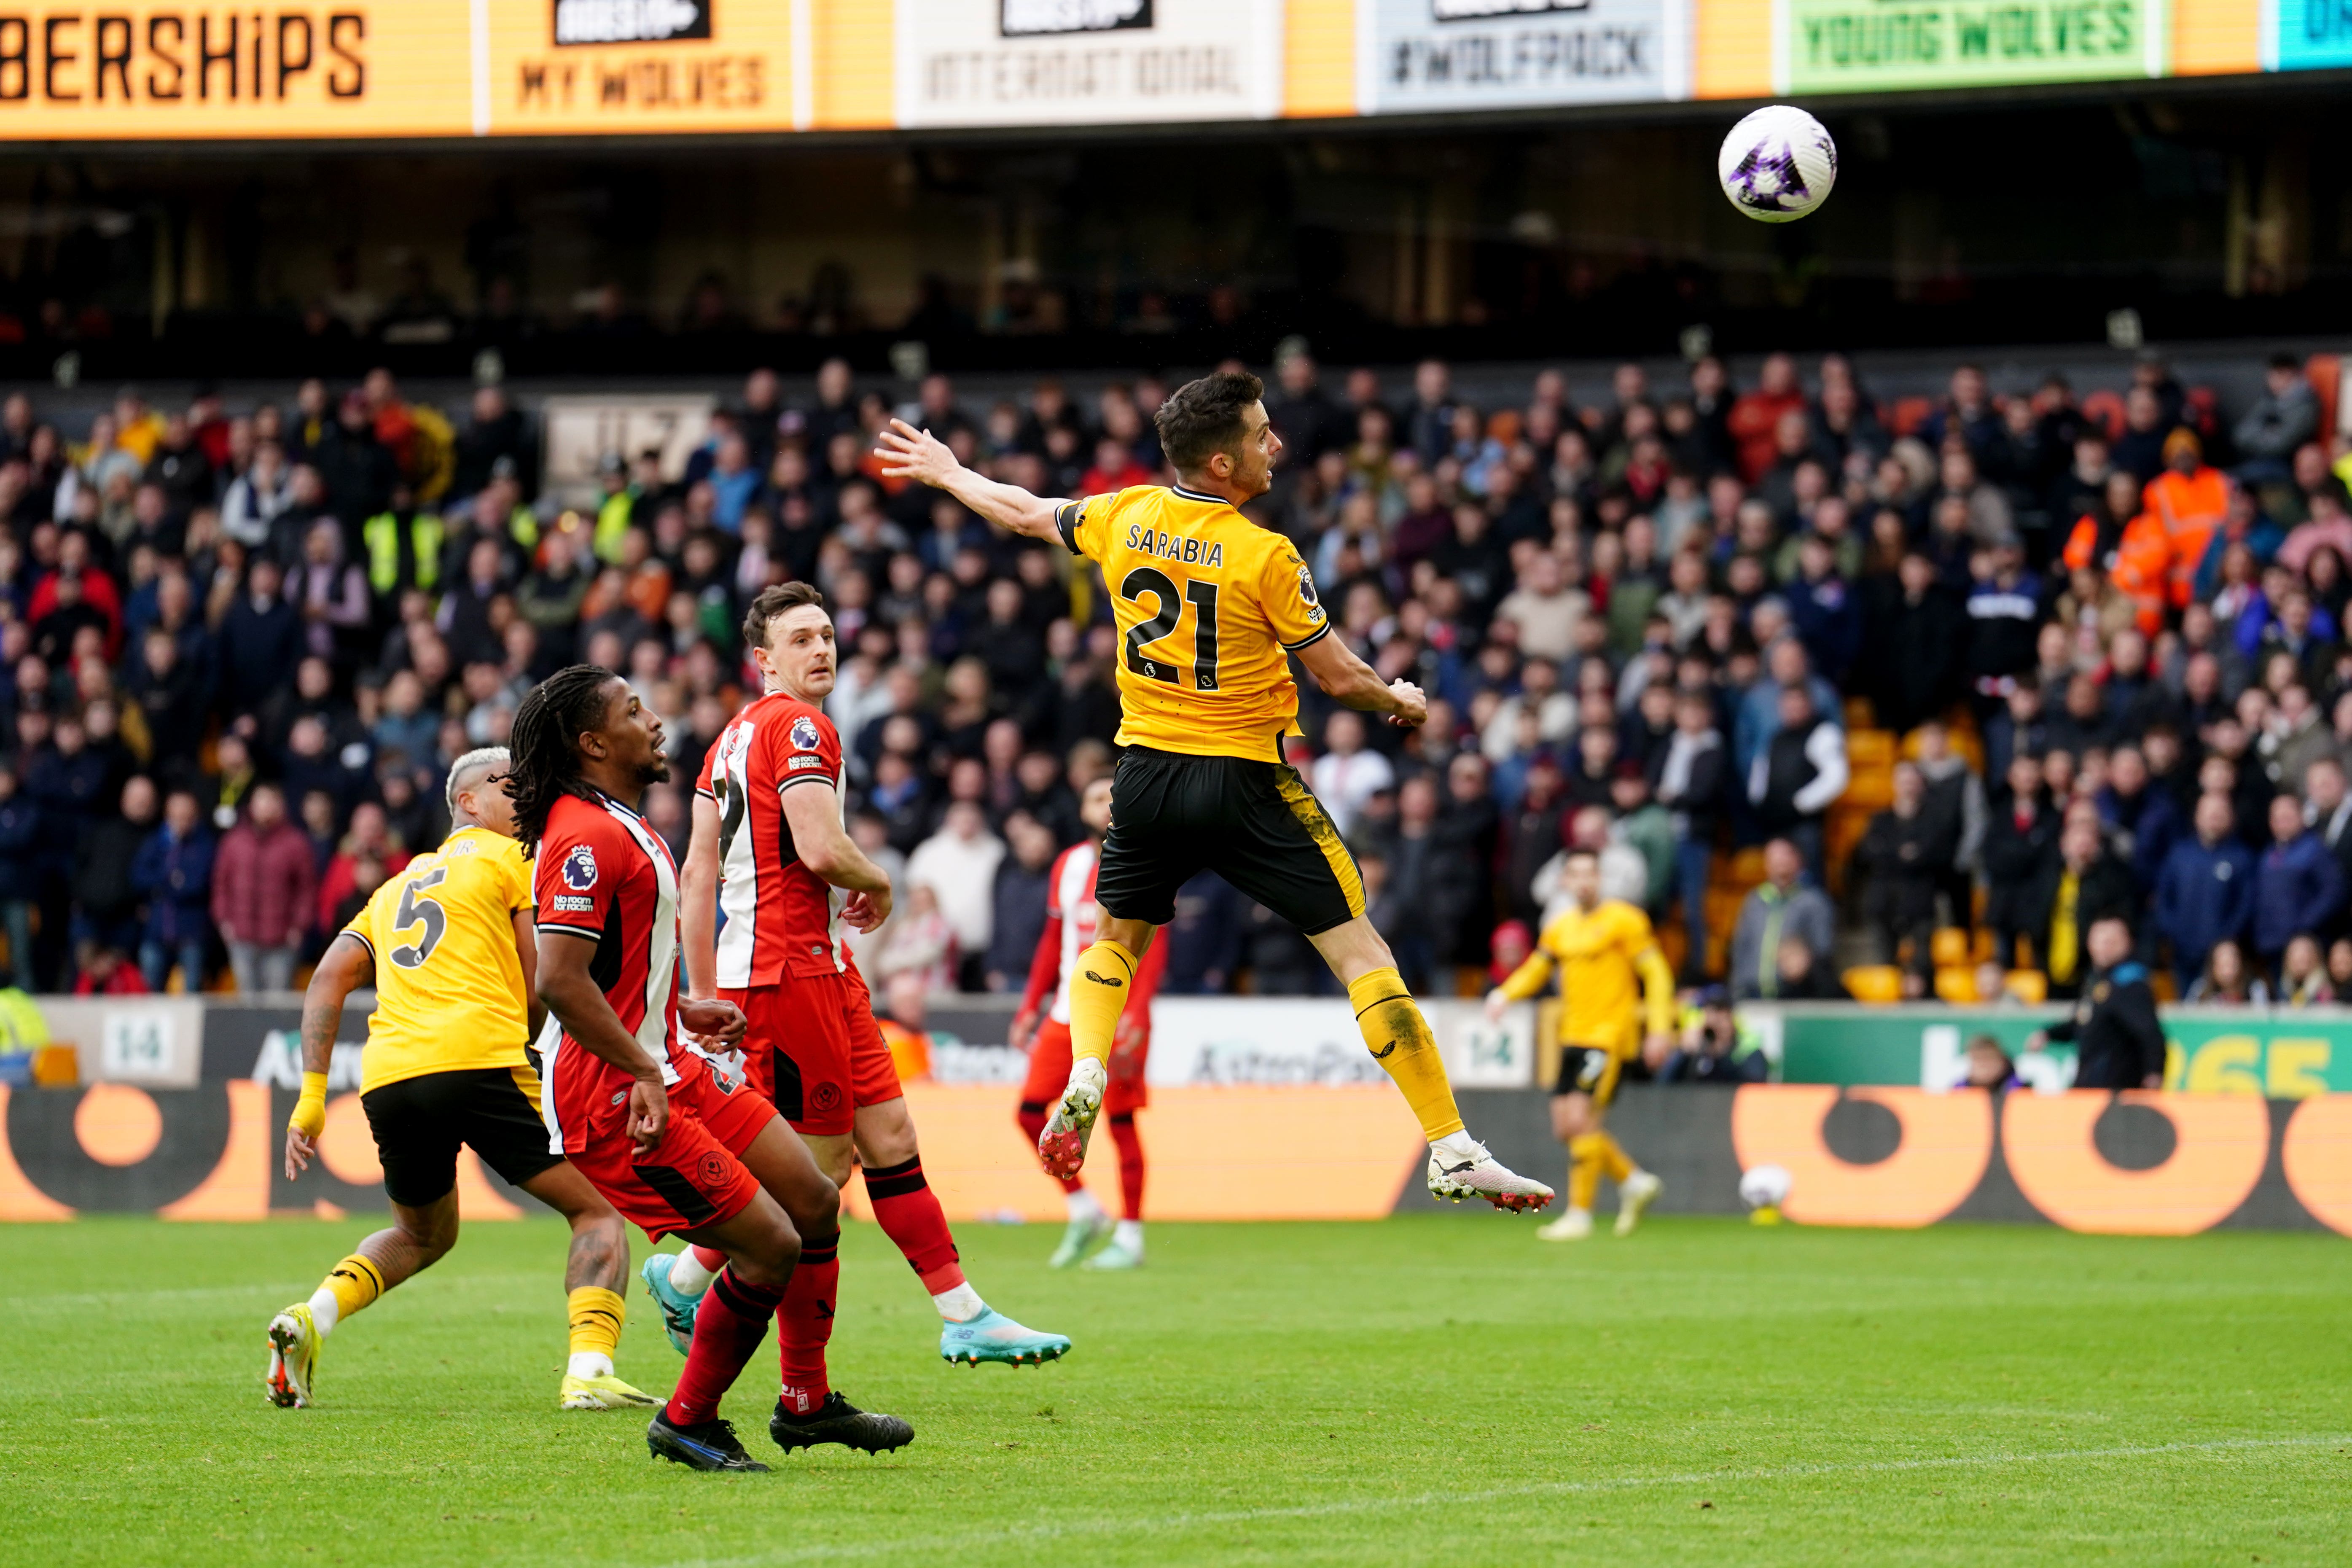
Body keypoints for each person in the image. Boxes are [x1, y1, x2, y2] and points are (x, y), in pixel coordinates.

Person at [876, 372, 1550, 1211]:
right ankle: (1449, 1145)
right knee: (1359, 951)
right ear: (1225, 462)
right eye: (1264, 434)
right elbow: (1337, 676)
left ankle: (1086, 1063)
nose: (1279, 445)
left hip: (1147, 774)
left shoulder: (1120, 514)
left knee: (1114, 941)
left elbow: (1018, 509)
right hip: (1244, 777)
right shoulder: (1264, 553)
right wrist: (1399, 699)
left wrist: (946, 469)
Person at [665, 583, 1069, 1397]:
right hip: (788, 973)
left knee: (884, 1138)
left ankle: (962, 1310)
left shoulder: (728, 741)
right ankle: (754, 1348)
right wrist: (881, 880)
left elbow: (699, 871)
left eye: (825, 635)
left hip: (815, 966)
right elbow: (818, 846)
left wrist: (702, 983)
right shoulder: (800, 726)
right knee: (812, 1190)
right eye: (800, 639)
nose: (820, 649)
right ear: (763, 659)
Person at [511, 666, 886, 1474]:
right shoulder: (583, 835)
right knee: (768, 1247)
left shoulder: (621, 819)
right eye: (633, 709)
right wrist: (642, 1061)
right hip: (611, 1090)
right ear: (593, 742)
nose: (655, 719)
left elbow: (613, 970)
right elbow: (559, 980)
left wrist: (679, 1009)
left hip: (663, 1057)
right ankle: (687, 1420)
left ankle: (806, 1401)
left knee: (816, 1200)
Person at [266, 748, 661, 1415]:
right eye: (515, 789)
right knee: (597, 1208)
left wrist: (310, 1098)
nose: (528, 800)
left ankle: (312, 1317)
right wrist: (538, 1041)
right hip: (479, 1057)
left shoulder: (395, 887)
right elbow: (543, 980)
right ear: (470, 800)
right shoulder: (513, 861)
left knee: (423, 1233)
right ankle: (590, 1368)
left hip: (391, 1076)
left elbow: (329, 975)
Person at [1012, 774, 1166, 1269]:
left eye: (1113, 796)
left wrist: (1137, 1012)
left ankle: (1132, 1235)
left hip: (1118, 1015)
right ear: (1081, 811)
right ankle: (1083, 1208)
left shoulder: (1145, 857)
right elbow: (1050, 940)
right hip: (1064, 1012)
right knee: (1029, 1110)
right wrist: (1029, 1005)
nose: (1106, 805)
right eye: (1096, 798)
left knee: (1120, 1122)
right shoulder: (1069, 865)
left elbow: (1155, 943)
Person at [1484, 848, 1674, 1242]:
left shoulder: (1625, 920)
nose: (1584, 881)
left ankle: (1580, 1214)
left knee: (1582, 1122)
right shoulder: (1560, 927)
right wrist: (1505, 993)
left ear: (1600, 879)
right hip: (1571, 1036)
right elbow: (1538, 967)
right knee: (1564, 1127)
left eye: (1591, 873)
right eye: (1576, 874)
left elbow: (1655, 972)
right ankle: (1632, 1180)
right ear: (1565, 882)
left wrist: (1658, 1028)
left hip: (1608, 1037)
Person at [2027, 916, 2164, 1091]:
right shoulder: (2097, 981)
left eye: (2112, 942)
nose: (2105, 947)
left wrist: (2154, 1071)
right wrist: (2049, 1034)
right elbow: (2083, 1021)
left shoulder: (2130, 984)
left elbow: (2150, 1033)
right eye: (2100, 941)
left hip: (2116, 1084)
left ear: (2128, 943)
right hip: (2090, 1081)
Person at [210, 782, 314, 993]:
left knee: (278, 1001)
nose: (266, 806)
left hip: (282, 938)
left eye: (271, 801)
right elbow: (221, 884)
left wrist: (299, 926)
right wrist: (224, 921)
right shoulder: (234, 841)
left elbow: (307, 889)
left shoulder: (296, 843)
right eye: (261, 800)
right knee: (247, 999)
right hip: (241, 935)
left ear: (281, 806)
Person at [1727, 837, 1836, 1002]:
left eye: (1786, 856)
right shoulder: (1754, 901)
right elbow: (1741, 947)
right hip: (1751, 993)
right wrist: (1736, 987)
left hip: (1794, 995)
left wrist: (1804, 960)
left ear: (1798, 861)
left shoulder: (1813, 902)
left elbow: (1824, 948)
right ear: (1766, 864)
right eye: (1774, 858)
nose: (1780, 863)